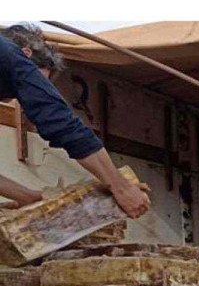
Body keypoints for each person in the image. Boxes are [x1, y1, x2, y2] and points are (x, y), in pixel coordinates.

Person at [0, 23, 149, 217]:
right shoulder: (8, 53)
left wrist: (29, 198)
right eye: (35, 84)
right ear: (25, 54)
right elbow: (60, 122)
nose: (19, 97)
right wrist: (121, 187)